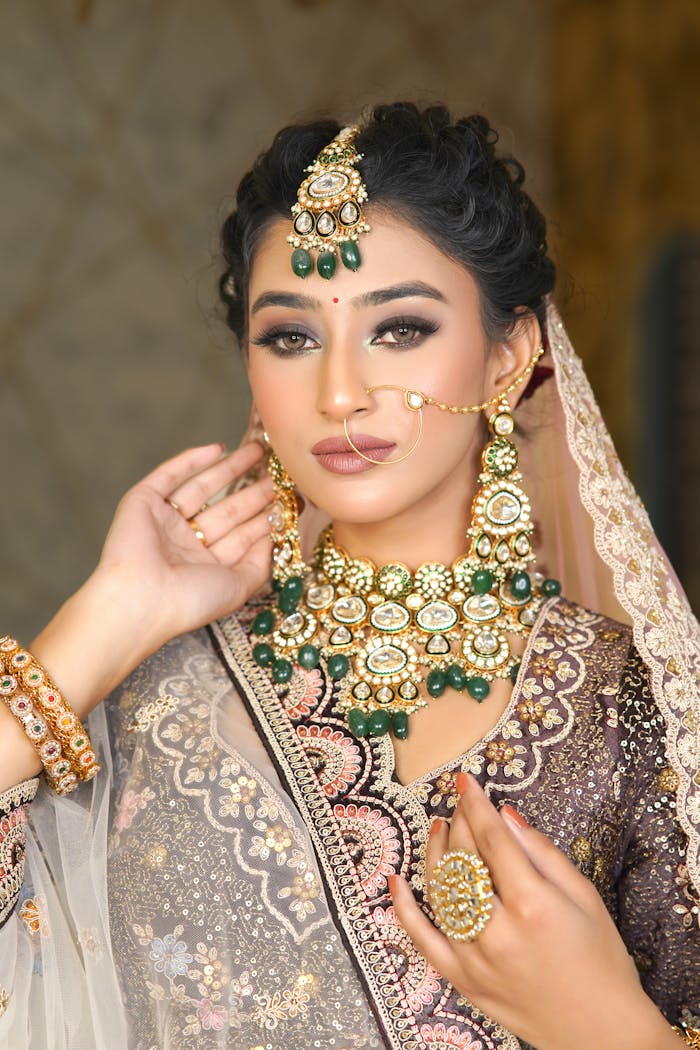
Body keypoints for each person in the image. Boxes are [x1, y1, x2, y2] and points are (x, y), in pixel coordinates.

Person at [0, 102, 698, 1050]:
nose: (338, 392)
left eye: (400, 329)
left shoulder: (631, 705)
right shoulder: (157, 685)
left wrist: (607, 1026)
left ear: (511, 352)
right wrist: (107, 617)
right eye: (289, 337)